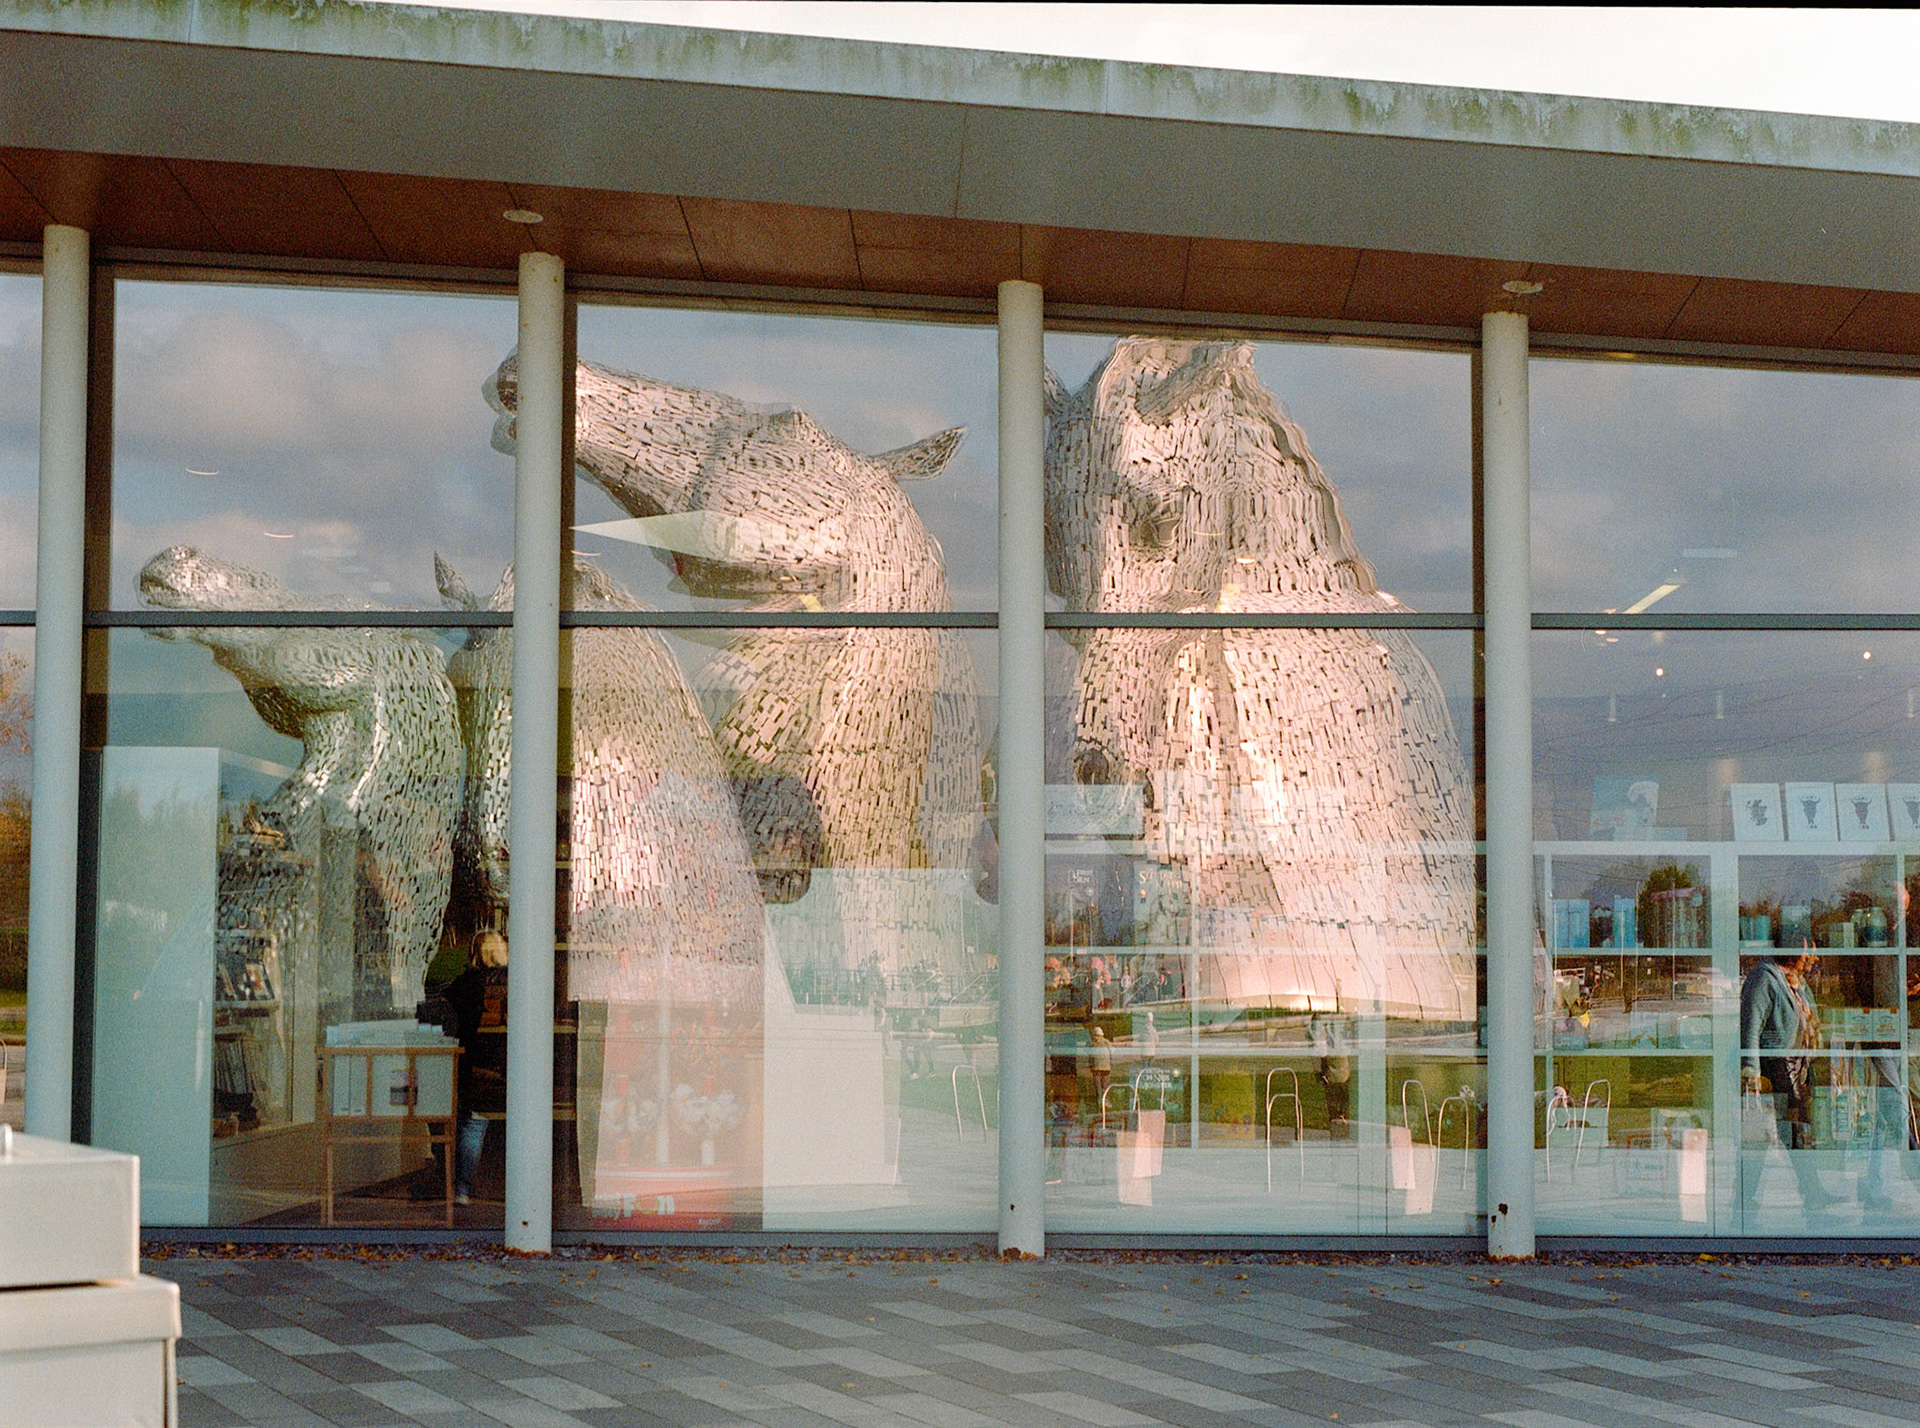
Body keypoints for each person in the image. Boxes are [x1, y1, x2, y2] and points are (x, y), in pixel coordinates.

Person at [1740, 949, 1833, 1215]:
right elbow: (1751, 1026)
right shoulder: (1765, 978)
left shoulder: (1795, 981)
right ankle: (1812, 1195)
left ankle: (1746, 1200)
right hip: (1776, 1065)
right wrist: (1751, 1071)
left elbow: (1808, 1018)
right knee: (1790, 1130)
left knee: (1781, 1133)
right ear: (1792, 951)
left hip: (1795, 1064)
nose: (1812, 958)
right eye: (1808, 953)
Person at [445, 930, 509, 1206]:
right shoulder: (512, 980)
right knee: (475, 1123)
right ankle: (478, 1186)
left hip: (467, 1058)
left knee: (465, 1122)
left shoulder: (462, 984)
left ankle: (459, 1187)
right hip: (496, 1059)